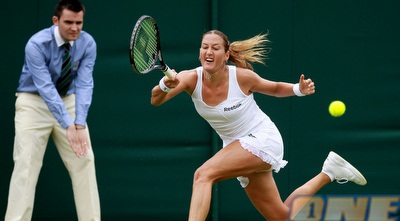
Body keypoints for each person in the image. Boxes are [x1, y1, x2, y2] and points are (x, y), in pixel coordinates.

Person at [150, 30, 367, 221]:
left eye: (215, 48)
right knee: (281, 217)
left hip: (262, 138)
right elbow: (156, 100)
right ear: (199, 53)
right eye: (205, 47)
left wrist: (298, 89)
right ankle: (329, 172)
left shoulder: (243, 77)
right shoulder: (189, 79)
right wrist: (165, 85)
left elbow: (273, 88)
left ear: (226, 55)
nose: (209, 51)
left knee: (203, 175)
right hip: (236, 147)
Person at [5, 0, 100, 220]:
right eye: (68, 22)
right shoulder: (36, 44)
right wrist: (68, 124)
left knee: (85, 161)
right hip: (33, 103)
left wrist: (79, 123)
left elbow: (85, 84)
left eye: (79, 22)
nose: (75, 28)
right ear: (56, 21)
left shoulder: (87, 44)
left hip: (69, 100)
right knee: (26, 165)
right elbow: (45, 88)